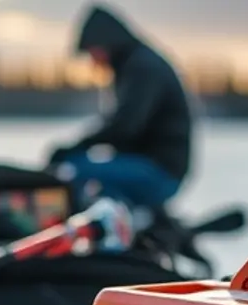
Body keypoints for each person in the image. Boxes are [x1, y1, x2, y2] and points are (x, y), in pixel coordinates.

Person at [47, 3, 194, 213]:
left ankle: (104, 227)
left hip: (159, 172)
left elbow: (126, 125)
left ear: (104, 42)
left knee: (75, 171)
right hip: (153, 165)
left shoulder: (142, 67)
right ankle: (131, 218)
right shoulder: (136, 64)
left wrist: (78, 146)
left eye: (92, 53)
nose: (93, 62)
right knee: (84, 169)